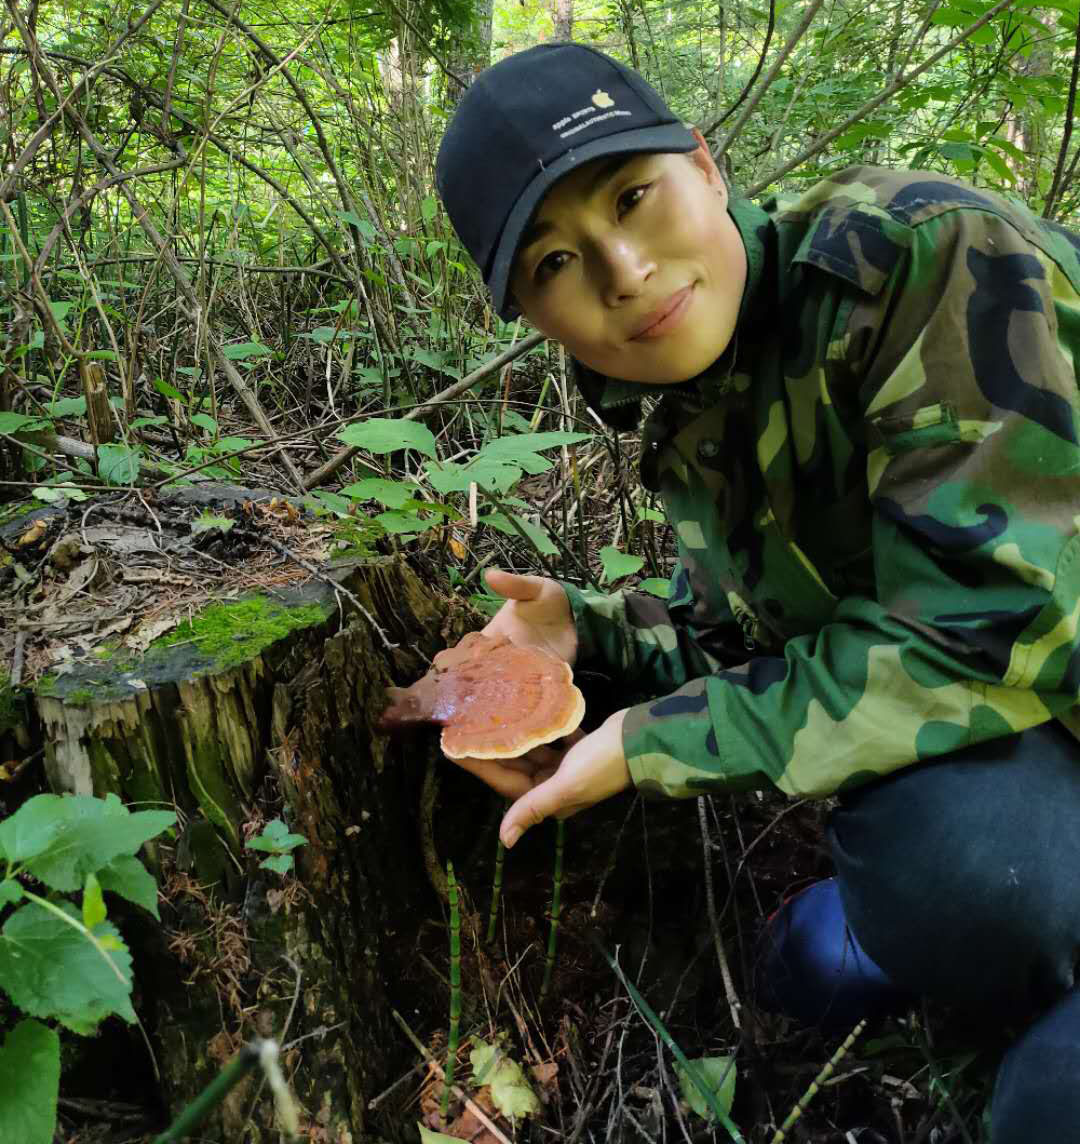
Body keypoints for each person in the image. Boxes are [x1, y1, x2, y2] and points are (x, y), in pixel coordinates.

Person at [435, 41, 1080, 1140]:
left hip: (1032, 679)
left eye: (633, 196)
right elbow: (762, 638)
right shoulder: (701, 394)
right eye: (553, 263)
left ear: (707, 164)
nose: (623, 272)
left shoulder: (923, 260)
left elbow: (993, 626)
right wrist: (585, 636)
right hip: (1043, 738)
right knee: (866, 925)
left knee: (1038, 1102)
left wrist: (652, 742)